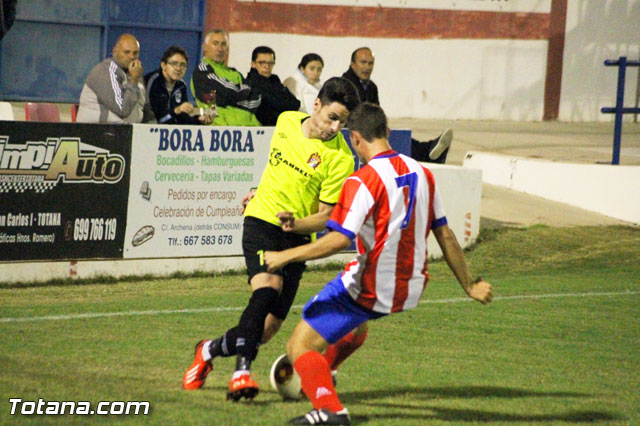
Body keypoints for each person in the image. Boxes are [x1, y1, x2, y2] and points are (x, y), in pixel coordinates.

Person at [264, 102, 493, 425]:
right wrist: (470, 285)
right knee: (356, 322)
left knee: (298, 345)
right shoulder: (423, 173)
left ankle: (330, 410)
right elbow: (446, 235)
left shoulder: (362, 181)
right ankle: (326, 371)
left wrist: (284, 256)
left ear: (355, 138)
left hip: (371, 283)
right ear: (386, 132)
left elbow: (338, 239)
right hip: (409, 286)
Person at [182, 77, 361, 402]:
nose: (335, 127)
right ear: (316, 105)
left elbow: (326, 216)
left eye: (343, 122)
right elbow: (275, 172)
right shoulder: (286, 121)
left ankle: (207, 350)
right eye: (332, 117)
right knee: (267, 288)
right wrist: (259, 192)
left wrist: (298, 222)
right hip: (260, 219)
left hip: (297, 237)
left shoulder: (341, 159)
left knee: (266, 329)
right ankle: (241, 374)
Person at [341, 47, 452, 164]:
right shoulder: (346, 84)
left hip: (367, 129)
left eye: (370, 63)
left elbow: (375, 112)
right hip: (354, 133)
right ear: (353, 64)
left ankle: (430, 150)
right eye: (363, 62)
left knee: (393, 136)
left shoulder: (371, 87)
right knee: (394, 139)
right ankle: (429, 152)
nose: (367, 67)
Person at [76, 33, 155, 123]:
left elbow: (146, 107)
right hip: (99, 130)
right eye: (126, 52)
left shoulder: (134, 72)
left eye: (135, 53)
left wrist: (152, 127)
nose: (132, 57)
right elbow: (122, 110)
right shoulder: (105, 71)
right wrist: (133, 81)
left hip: (130, 131)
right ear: (115, 51)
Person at [191, 29, 261, 126]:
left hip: (250, 131)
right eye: (215, 44)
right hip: (220, 132)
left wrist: (228, 98)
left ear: (227, 49)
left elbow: (256, 99)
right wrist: (243, 94)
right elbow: (220, 92)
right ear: (205, 47)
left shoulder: (235, 73)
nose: (220, 49)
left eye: (223, 45)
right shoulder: (202, 70)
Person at [144, 45, 213, 125]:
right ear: (164, 65)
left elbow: (182, 120)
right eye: (174, 64)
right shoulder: (153, 81)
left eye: (183, 65)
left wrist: (199, 120)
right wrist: (176, 110)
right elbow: (156, 119)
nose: (178, 68)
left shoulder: (181, 86)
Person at [245, 46, 300, 126]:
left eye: (270, 63)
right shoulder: (250, 84)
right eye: (262, 63)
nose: (267, 66)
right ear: (253, 64)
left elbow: (295, 104)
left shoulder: (275, 80)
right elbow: (268, 108)